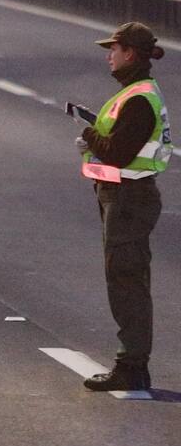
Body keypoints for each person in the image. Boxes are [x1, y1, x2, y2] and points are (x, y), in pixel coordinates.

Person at [76, 22, 173, 391]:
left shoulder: (137, 98)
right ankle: (132, 364)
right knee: (126, 279)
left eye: (113, 50)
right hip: (125, 196)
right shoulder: (137, 92)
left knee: (127, 282)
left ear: (130, 53)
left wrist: (88, 134)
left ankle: (131, 366)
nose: (108, 56)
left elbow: (118, 152)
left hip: (130, 199)